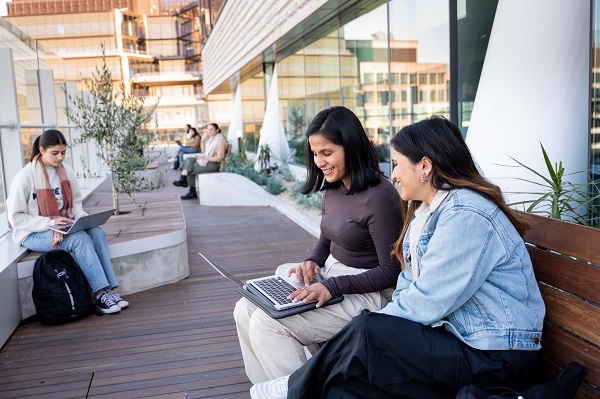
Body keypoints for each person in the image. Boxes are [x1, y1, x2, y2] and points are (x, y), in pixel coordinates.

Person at [250, 115, 546, 399]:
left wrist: (377, 329)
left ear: (425, 167)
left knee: (367, 331)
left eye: (396, 164)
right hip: (457, 340)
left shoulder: (465, 214)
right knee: (344, 390)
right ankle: (298, 386)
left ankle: (294, 388)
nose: (392, 174)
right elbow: (407, 281)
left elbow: (427, 301)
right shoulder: (426, 212)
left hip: (494, 356)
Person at [234, 106, 403, 384]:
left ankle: (298, 391)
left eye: (327, 153)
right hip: (333, 277)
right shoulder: (334, 188)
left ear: (351, 147)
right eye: (315, 153)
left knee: (268, 324)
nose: (319, 161)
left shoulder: (380, 197)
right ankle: (266, 388)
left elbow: (391, 271)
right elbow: (325, 240)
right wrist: (313, 259)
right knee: (245, 307)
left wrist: (333, 286)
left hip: (368, 292)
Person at [6, 129, 129, 314]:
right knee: (78, 238)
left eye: (63, 153)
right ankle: (100, 293)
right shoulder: (24, 177)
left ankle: (109, 289)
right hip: (32, 233)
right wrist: (49, 223)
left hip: (63, 225)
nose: (60, 158)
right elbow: (16, 217)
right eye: (54, 153)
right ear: (42, 150)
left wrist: (82, 218)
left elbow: (76, 205)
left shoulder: (67, 172)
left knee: (96, 231)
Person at [172, 123, 227, 199]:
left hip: (215, 164)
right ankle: (183, 178)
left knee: (190, 168)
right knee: (188, 160)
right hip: (208, 159)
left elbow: (219, 158)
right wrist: (203, 140)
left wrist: (205, 158)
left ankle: (192, 191)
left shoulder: (220, 141)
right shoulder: (211, 139)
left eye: (212, 129)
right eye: (208, 129)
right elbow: (204, 152)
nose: (209, 131)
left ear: (217, 130)